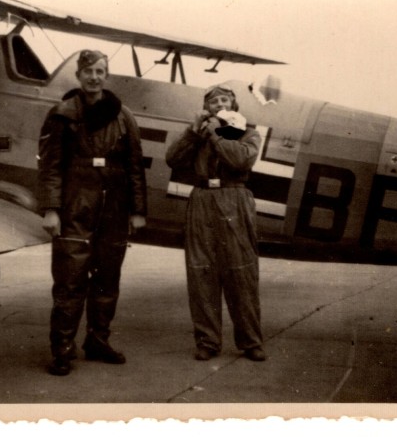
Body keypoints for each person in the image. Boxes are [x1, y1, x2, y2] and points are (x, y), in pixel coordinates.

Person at [37, 50, 147, 376]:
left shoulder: (123, 117)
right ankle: (62, 348)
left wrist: (137, 211)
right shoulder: (62, 114)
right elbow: (50, 168)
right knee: (70, 282)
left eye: (100, 71)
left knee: (107, 280)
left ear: (107, 75)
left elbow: (134, 168)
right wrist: (51, 210)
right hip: (75, 207)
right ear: (78, 74)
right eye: (88, 71)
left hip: (114, 208)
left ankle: (98, 341)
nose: (94, 77)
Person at [165, 84, 267, 362]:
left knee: (241, 272)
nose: (219, 103)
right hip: (202, 199)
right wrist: (193, 132)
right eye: (213, 101)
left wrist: (214, 133)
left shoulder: (248, 132)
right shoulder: (197, 135)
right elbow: (172, 159)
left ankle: (250, 342)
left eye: (225, 99)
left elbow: (241, 160)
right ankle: (208, 341)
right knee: (201, 272)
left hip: (235, 196)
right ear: (206, 107)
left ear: (234, 106)